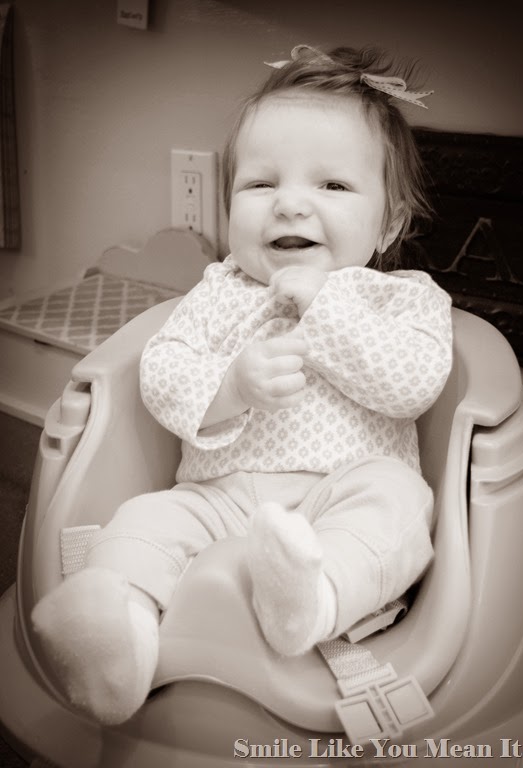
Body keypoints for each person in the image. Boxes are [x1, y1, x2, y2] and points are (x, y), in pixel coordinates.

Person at [32, 44, 453, 726]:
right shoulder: (218, 291)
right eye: (260, 184)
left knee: (400, 504)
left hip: (343, 494)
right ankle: (115, 625)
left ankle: (314, 595)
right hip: (218, 497)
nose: (289, 205)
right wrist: (230, 387)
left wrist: (326, 307)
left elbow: (414, 383)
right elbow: (163, 373)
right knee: (147, 519)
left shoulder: (400, 298)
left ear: (390, 222)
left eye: (332, 186)